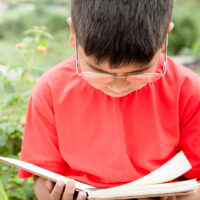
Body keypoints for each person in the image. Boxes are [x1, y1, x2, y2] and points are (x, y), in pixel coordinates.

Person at [19, 0, 200, 199]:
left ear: (165, 38)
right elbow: (42, 181)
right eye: (98, 72)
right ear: (73, 34)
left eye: (139, 72)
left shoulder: (188, 90)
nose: (117, 85)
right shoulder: (51, 90)